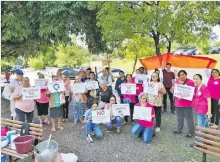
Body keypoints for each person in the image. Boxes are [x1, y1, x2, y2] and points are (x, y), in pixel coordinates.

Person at [171, 70, 195, 138]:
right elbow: (173, 90)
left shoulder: (190, 82)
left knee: (189, 118)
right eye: (180, 75)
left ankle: (190, 132)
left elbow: (192, 93)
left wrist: (184, 96)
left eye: (183, 74)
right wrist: (173, 91)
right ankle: (179, 130)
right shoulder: (176, 81)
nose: (181, 76)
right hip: (178, 104)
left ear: (186, 75)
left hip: (187, 104)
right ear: (178, 76)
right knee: (179, 117)